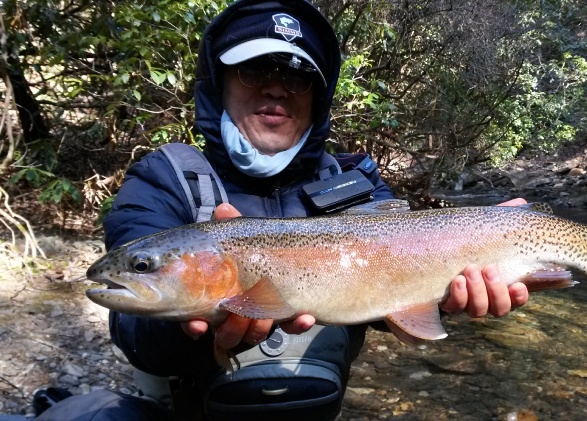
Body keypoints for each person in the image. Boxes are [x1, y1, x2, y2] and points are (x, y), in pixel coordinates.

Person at [37, 0, 528, 419]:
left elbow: (385, 298)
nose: (275, 88)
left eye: (296, 76)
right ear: (219, 84)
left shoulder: (354, 182)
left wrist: (446, 295)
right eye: (255, 70)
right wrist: (201, 335)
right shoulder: (163, 178)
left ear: (319, 98)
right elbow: (135, 333)